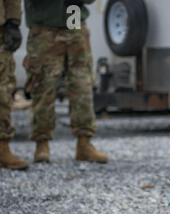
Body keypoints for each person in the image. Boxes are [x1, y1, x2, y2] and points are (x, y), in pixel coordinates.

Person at [23, 0, 108, 163]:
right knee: (43, 85)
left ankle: (84, 144)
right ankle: (42, 144)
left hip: (73, 18)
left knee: (81, 85)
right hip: (45, 25)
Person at [0, 0, 28, 170]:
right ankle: (42, 144)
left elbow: (76, 7)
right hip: (45, 31)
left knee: (2, 91)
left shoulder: (74, 10)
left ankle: (2, 146)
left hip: (64, 31)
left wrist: (13, 20)